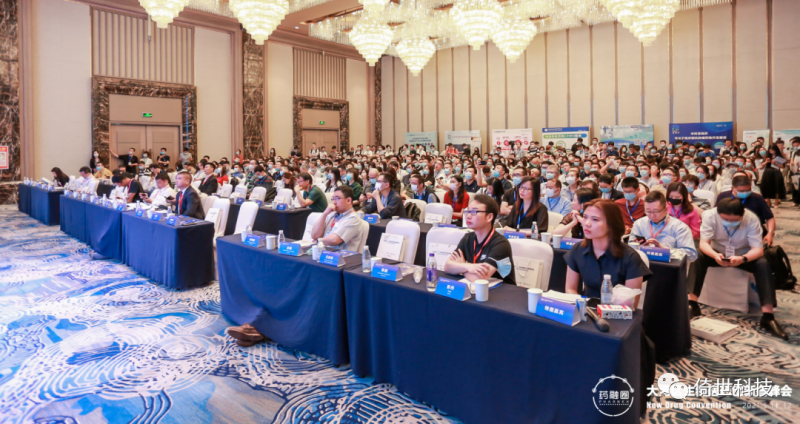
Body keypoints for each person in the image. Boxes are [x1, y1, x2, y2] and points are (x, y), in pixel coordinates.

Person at [689, 199, 787, 340]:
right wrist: (715, 255)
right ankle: (692, 304)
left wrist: (742, 259)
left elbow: (758, 250)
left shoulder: (751, 219)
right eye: (725, 219)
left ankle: (768, 316)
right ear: (718, 214)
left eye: (734, 220)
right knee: (698, 255)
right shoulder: (710, 216)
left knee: (763, 264)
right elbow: (704, 243)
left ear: (743, 214)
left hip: (743, 255)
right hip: (717, 253)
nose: (729, 222)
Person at [564, 199, 652, 305]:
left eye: (595, 219)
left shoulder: (631, 257)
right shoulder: (577, 249)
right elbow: (570, 289)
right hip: (585, 309)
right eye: (585, 217)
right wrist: (582, 308)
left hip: (617, 312)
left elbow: (631, 303)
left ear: (612, 224)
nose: (586, 223)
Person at [445, 194, 516, 285]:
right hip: (476, 289)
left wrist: (462, 267)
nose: (468, 216)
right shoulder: (468, 238)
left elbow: (479, 279)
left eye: (474, 212)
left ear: (489, 217)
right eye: (468, 211)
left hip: (502, 291)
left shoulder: (501, 244)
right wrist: (467, 266)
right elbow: (447, 267)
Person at [629, 191, 697, 261]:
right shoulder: (639, 224)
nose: (652, 215)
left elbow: (691, 255)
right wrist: (637, 247)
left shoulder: (680, 227)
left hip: (668, 265)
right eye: (648, 211)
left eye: (656, 211)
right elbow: (629, 249)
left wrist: (665, 250)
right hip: (642, 264)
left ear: (666, 209)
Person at [716, 175, 775, 246]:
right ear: (732, 188)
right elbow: (716, 215)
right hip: (727, 232)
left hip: (753, 233)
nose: (745, 193)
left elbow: (770, 218)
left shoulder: (757, 198)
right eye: (741, 191)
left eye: (748, 190)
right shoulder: (722, 196)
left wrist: (770, 233)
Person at [309, 185, 365, 252]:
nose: (334, 202)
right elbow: (314, 235)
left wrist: (318, 241)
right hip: (324, 252)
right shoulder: (332, 214)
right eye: (333, 199)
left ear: (348, 200)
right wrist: (324, 214)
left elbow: (334, 240)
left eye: (337, 198)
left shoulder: (353, 218)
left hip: (340, 256)